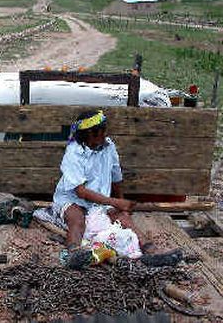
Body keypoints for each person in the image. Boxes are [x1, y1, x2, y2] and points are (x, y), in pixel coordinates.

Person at [53, 110, 178, 267]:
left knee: (125, 220)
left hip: (100, 200)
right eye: (102, 131)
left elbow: (116, 177)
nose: (105, 134)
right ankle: (73, 253)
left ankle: (151, 251)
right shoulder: (73, 153)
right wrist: (117, 202)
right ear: (90, 134)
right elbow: (81, 192)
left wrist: (122, 205)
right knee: (76, 220)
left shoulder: (109, 147)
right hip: (72, 199)